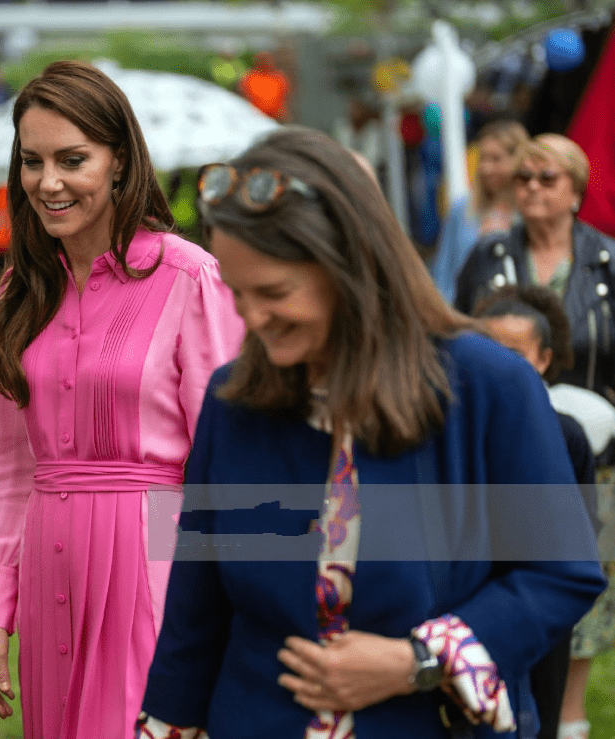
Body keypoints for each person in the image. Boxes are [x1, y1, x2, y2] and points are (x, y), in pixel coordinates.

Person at [136, 126, 605, 739]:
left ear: (349, 267)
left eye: (274, 292)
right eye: (237, 293)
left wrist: (417, 662)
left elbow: (558, 574)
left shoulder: (491, 387)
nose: (250, 318)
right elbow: (196, 611)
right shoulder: (236, 400)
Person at [0, 60, 246, 739]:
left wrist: (220, 606)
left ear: (119, 162)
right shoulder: (19, 294)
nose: (48, 182)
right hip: (46, 563)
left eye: (72, 159)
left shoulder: (189, 276)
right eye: (31, 162)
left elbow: (226, 455)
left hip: (154, 562)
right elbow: (12, 475)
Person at [475, 285, 615, 739]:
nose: (500, 362)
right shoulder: (456, 427)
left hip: (541, 607)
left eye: (515, 352)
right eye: (487, 348)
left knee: (541, 710)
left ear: (544, 358)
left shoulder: (566, 434)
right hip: (476, 596)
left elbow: (581, 532)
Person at [455, 133, 615, 402]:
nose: (532, 186)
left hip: (596, 428)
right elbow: (460, 332)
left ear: (576, 190)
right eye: (523, 177)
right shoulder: (487, 255)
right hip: (506, 417)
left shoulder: (607, 259)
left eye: (547, 178)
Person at [429, 120, 529, 301]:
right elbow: (444, 269)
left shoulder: (528, 212)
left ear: (518, 161)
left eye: (496, 159)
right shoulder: (462, 209)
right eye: (483, 158)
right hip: (463, 314)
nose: (486, 168)